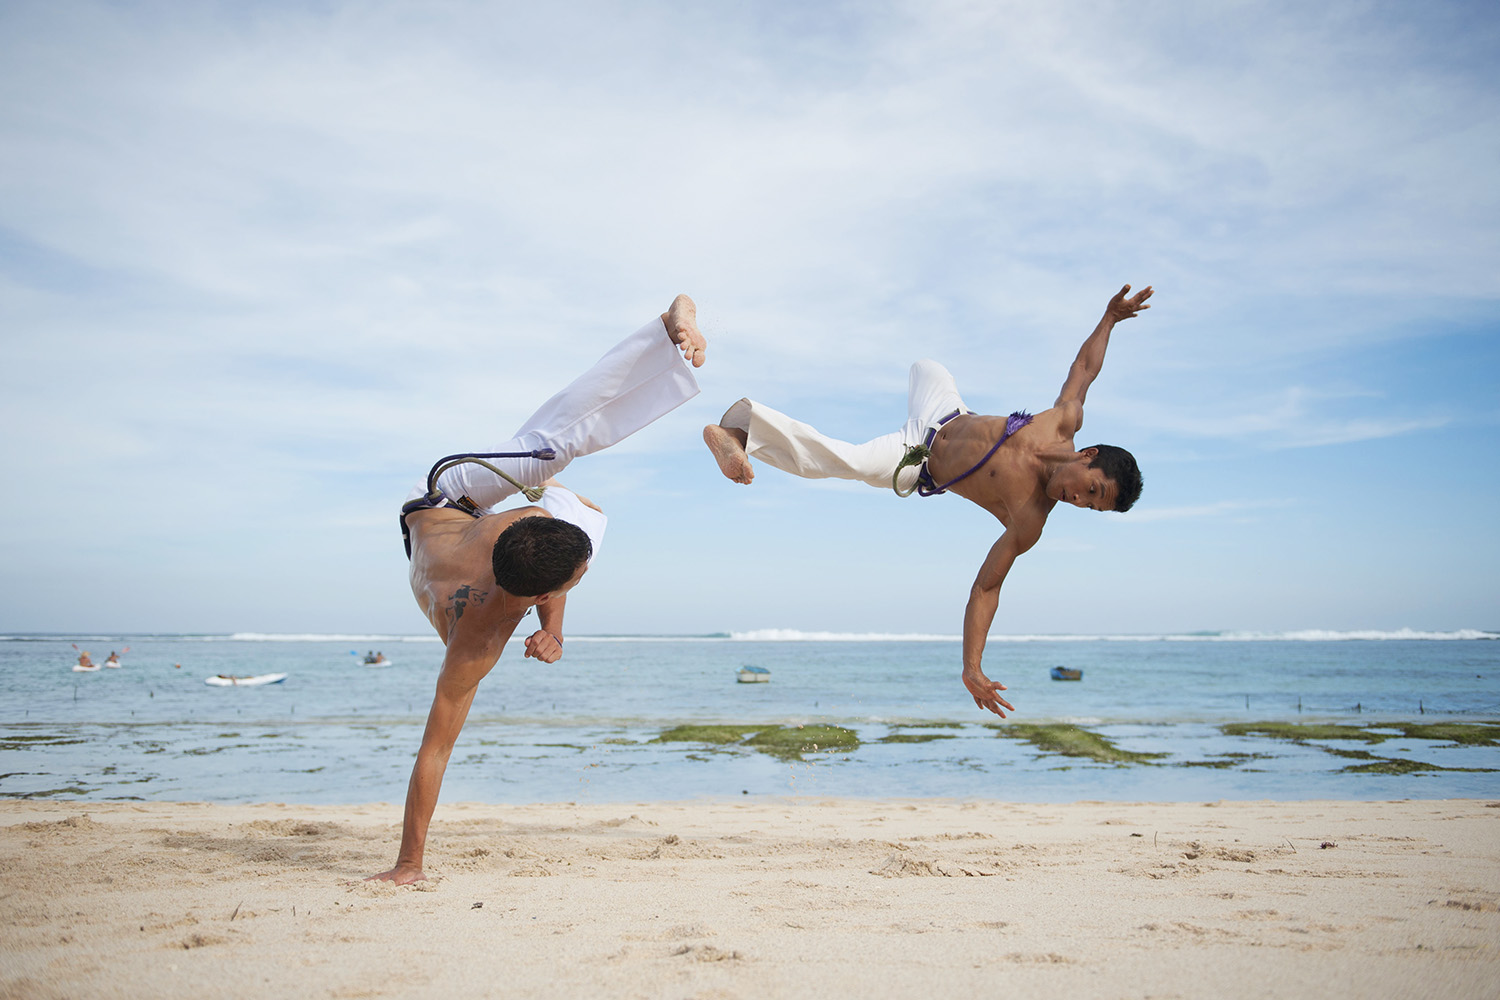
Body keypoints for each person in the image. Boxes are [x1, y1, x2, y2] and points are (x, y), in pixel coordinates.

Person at [369, 295, 708, 885]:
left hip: (454, 496)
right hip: (451, 524)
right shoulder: (485, 614)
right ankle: (658, 345)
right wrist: (408, 865)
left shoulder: (500, 564)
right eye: (575, 581)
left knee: (555, 455)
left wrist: (553, 626)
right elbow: (435, 751)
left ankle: (664, 328)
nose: (578, 581)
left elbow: (545, 578)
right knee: (562, 469)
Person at [702, 284, 1151, 718]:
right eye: (1092, 490)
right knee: (925, 363)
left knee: (852, 461)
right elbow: (1084, 368)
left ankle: (741, 434)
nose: (1078, 500)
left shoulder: (1029, 519)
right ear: (1087, 456)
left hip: (917, 458)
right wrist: (1110, 317)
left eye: (1091, 507)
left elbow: (987, 588)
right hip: (944, 411)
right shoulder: (1062, 421)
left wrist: (971, 666)